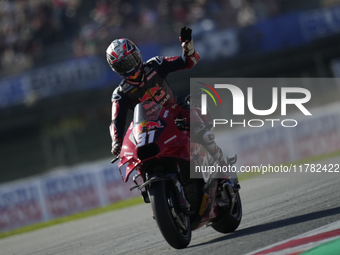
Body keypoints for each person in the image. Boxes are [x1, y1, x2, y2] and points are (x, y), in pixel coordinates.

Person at [106, 27, 228, 167]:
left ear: (137, 54)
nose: (129, 67)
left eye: (130, 60)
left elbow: (188, 62)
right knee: (140, 161)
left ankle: (223, 168)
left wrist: (188, 49)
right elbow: (117, 121)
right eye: (122, 65)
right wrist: (117, 142)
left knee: (204, 135)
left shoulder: (156, 65)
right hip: (151, 130)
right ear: (116, 69)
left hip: (178, 113)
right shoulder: (120, 94)